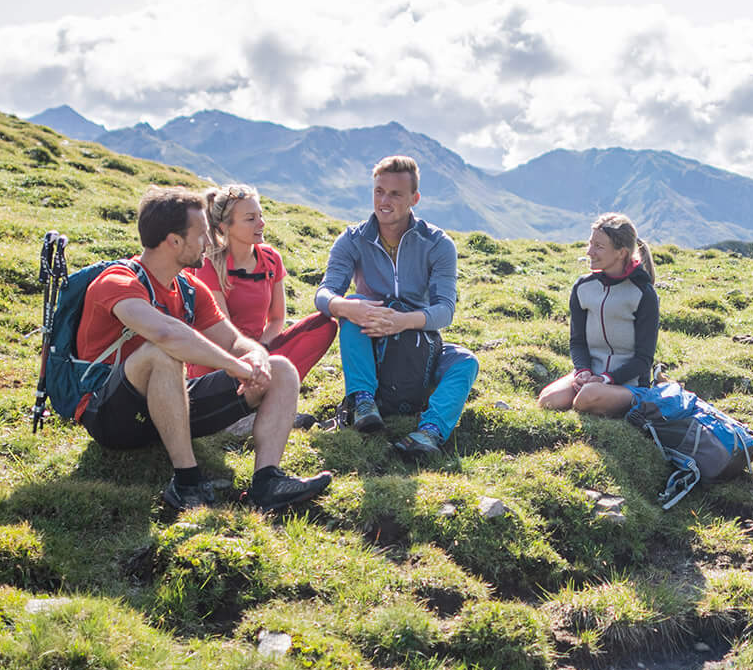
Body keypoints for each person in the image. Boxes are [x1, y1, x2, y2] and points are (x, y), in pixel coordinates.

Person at [77, 187, 332, 512]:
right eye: (201, 234)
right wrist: (237, 367)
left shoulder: (189, 288)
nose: (210, 243)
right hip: (111, 417)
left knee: (280, 368)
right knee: (162, 354)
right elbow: (165, 333)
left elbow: (234, 340)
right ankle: (186, 482)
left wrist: (253, 356)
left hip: (171, 406)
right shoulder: (118, 282)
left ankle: (267, 481)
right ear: (174, 241)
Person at [313, 156, 479, 457]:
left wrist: (403, 321)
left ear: (414, 199)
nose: (384, 201)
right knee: (351, 305)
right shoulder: (352, 239)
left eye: (395, 194)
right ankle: (363, 402)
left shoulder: (438, 243)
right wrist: (344, 307)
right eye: (379, 191)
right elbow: (324, 294)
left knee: (465, 362)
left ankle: (428, 434)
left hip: (420, 346)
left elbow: (445, 310)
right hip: (372, 340)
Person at [188, 182, 334, 436]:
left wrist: (262, 352)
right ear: (225, 227)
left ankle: (262, 395)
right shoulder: (209, 265)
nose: (261, 224)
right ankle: (245, 407)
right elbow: (219, 332)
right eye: (250, 219)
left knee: (324, 325)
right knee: (239, 367)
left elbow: (277, 319)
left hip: (260, 352)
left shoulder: (271, 259)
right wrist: (249, 362)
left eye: (260, 216)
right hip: (220, 359)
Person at [538, 212, 659, 418]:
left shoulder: (643, 294)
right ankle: (591, 395)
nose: (589, 252)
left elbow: (643, 359)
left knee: (587, 397)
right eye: (590, 243)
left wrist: (606, 379)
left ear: (621, 253)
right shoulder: (583, 287)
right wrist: (582, 370)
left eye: (599, 246)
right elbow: (577, 342)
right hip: (590, 379)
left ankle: (620, 401)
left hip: (628, 385)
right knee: (548, 400)